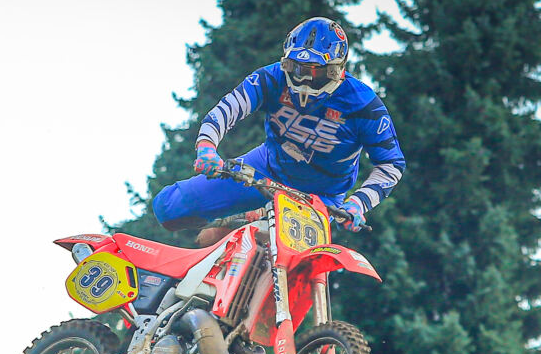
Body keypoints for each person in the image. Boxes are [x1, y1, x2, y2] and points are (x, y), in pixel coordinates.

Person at [152, 17, 405, 245]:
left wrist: (359, 202)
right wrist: (207, 146)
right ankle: (217, 243)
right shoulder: (273, 77)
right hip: (264, 170)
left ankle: (249, 222)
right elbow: (228, 108)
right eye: (296, 67)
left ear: (336, 69)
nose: (303, 78)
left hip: (321, 197)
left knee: (298, 262)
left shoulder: (364, 104)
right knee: (168, 208)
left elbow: (391, 163)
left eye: (314, 71)